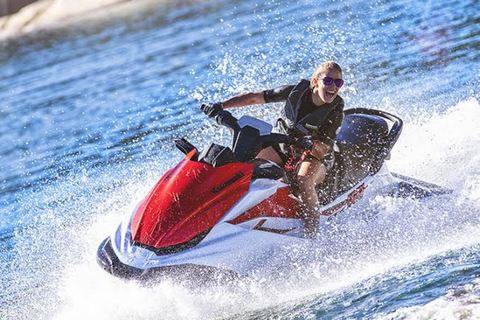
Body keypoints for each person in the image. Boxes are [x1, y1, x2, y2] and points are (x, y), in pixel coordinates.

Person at [202, 61, 345, 238]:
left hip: (315, 157)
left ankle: (312, 235)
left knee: (303, 180)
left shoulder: (336, 111)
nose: (334, 87)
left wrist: (309, 144)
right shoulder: (294, 92)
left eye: (339, 82)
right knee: (246, 164)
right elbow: (255, 97)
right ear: (315, 81)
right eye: (329, 81)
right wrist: (221, 106)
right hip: (284, 148)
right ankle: (225, 215)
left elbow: (322, 150)